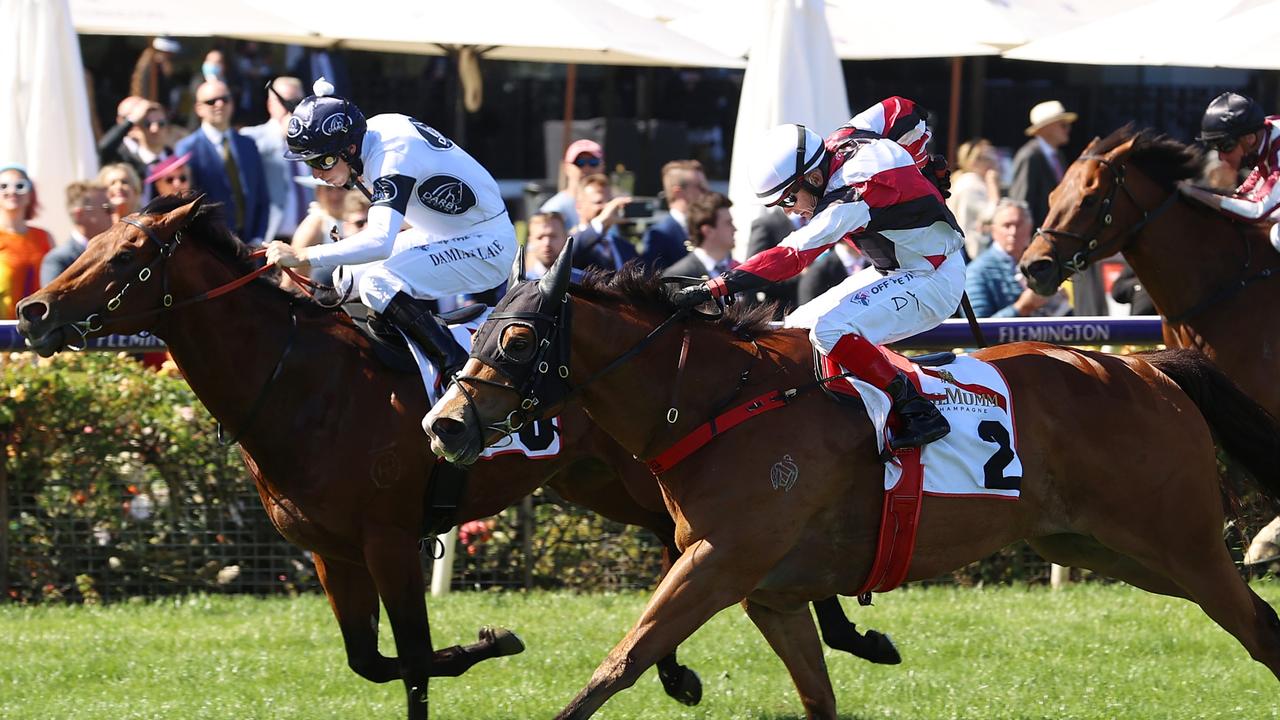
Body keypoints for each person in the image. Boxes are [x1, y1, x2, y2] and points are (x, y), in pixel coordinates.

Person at [672, 97, 963, 451]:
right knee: (797, 328)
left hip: (933, 278)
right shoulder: (844, 137)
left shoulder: (850, 196)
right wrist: (920, 162)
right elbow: (902, 109)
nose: (791, 212)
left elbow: (790, 257)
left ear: (813, 176)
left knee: (830, 330)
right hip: (901, 268)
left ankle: (918, 411)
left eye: (789, 200)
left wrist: (717, 287)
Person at [264, 79, 517, 382]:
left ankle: (453, 367)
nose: (317, 174)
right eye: (309, 164)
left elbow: (381, 242)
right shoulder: (374, 132)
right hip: (447, 233)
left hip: (488, 246)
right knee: (345, 278)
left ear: (351, 148)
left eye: (323, 161)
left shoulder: (393, 155)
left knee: (377, 282)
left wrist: (305, 253)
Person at [1179, 92, 1280, 250]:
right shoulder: (1264, 133)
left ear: (1250, 139)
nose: (1220, 156)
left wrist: (1193, 192)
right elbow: (1245, 194)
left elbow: (1257, 211)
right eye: (1215, 148)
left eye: (1225, 146)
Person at [175, 79, 269, 245]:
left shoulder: (248, 144)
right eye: (211, 101)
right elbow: (187, 205)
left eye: (225, 99)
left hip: (251, 245)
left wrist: (258, 237)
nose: (219, 104)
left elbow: (262, 196)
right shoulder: (187, 149)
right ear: (199, 108)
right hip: (212, 249)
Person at [965, 199, 1065, 318]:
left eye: (1019, 224)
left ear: (1030, 227)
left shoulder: (1043, 264)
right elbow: (976, 328)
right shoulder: (976, 272)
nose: (1013, 232)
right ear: (994, 230)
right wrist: (1021, 307)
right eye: (1006, 226)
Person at [241, 77, 311, 242]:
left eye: (298, 102)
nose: (292, 108)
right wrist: (281, 136)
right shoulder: (251, 136)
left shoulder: (311, 139)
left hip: (308, 238)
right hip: (269, 238)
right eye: (285, 101)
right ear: (270, 104)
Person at [0, 165, 52, 319]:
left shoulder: (44, 236)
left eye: (20, 186)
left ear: (31, 195)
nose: (12, 192)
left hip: (40, 327)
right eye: (3, 186)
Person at [41, 181, 112, 286]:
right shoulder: (59, 260)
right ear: (80, 214)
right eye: (107, 208)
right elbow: (52, 301)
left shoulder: (113, 251)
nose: (113, 211)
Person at [641, 159, 707, 270]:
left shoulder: (706, 227)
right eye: (699, 187)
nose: (706, 191)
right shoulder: (660, 234)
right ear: (678, 192)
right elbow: (654, 281)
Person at [661, 191, 736, 280]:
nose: (735, 229)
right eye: (728, 223)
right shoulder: (678, 276)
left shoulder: (739, 271)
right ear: (708, 231)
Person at [947, 138, 1001, 259]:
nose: (994, 162)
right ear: (973, 161)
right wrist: (993, 186)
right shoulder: (971, 184)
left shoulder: (970, 181)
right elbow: (990, 216)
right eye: (988, 158)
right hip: (972, 251)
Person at [569, 174, 636, 272]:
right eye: (598, 202)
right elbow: (571, 253)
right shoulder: (570, 242)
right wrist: (601, 222)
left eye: (609, 202)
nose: (607, 208)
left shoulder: (624, 246)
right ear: (579, 206)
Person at [540, 138, 603, 230]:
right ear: (566, 168)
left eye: (593, 162)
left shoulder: (610, 204)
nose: (587, 168)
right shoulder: (553, 209)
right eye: (580, 162)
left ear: (602, 166)